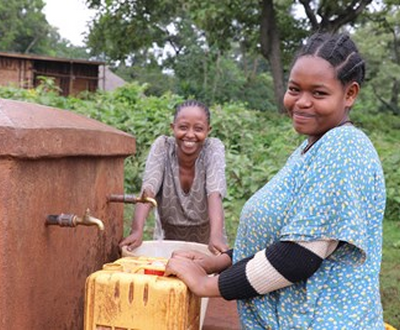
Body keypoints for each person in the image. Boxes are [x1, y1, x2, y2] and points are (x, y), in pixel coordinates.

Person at [164, 32, 387, 329]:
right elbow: (284, 236)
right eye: (295, 89)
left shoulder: (343, 149)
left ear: (350, 94)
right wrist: (219, 261)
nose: (301, 102)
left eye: (318, 93)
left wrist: (208, 285)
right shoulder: (311, 148)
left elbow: (298, 255)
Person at [119, 100, 229, 255]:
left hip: (208, 236)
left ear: (208, 130)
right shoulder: (163, 147)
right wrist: (137, 230)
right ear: (173, 128)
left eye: (198, 129)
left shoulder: (213, 149)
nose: (190, 135)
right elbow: (148, 190)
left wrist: (216, 237)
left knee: (205, 273)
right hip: (168, 235)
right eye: (183, 127)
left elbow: (215, 194)